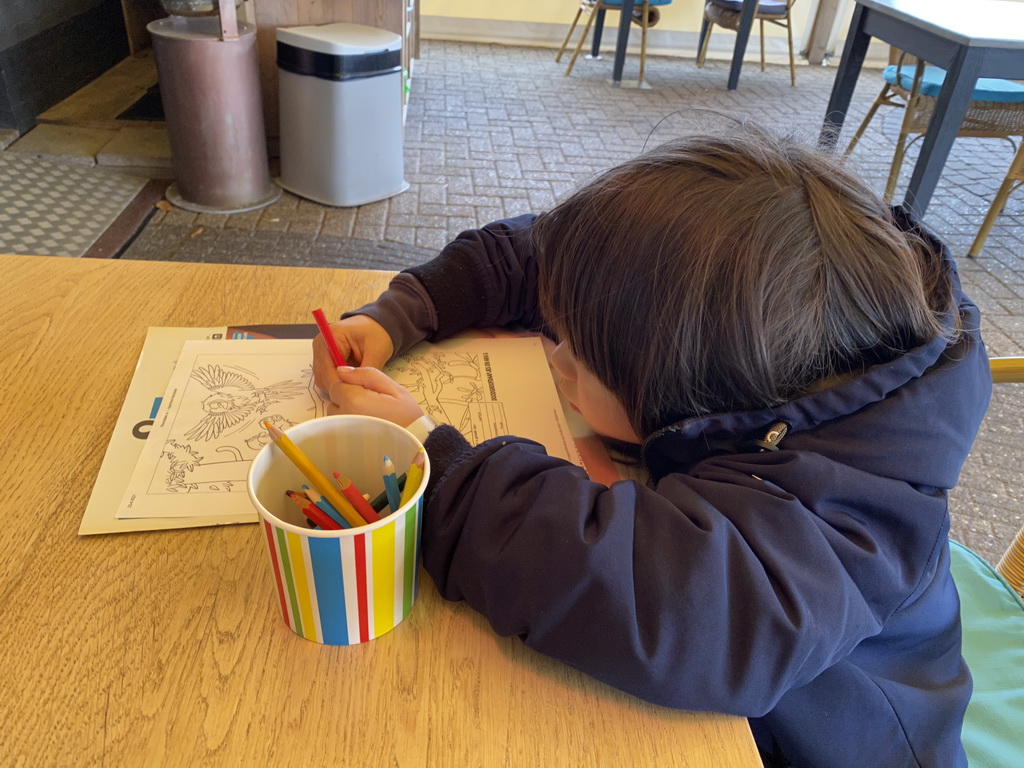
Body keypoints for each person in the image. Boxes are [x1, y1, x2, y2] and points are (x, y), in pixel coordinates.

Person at [311, 120, 991, 767]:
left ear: (690, 398)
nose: (557, 357)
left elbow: (661, 602)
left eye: (583, 356)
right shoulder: (759, 330)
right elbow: (546, 259)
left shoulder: (843, 518)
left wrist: (437, 468)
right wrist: (406, 312)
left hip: (819, 743)